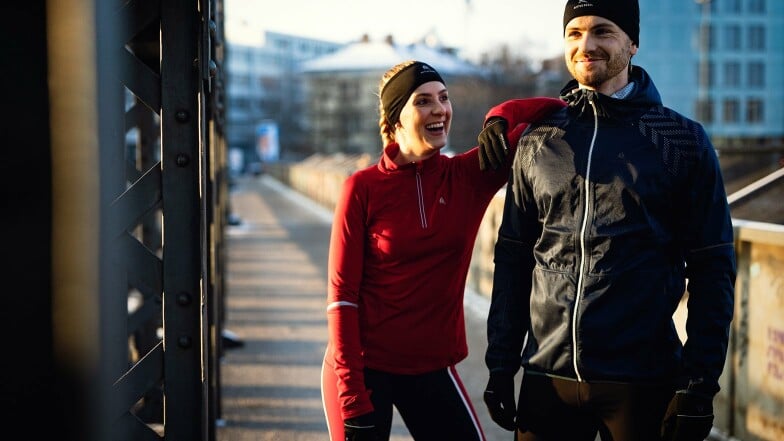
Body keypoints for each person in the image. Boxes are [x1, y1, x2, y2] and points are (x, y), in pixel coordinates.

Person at [482, 1, 737, 441]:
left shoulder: (681, 140)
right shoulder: (540, 141)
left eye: (603, 31)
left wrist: (699, 385)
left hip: (642, 382)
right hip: (547, 377)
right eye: (575, 33)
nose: (587, 44)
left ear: (633, 43)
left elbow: (713, 269)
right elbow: (513, 260)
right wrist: (501, 363)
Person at [320, 59, 564, 441]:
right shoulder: (362, 188)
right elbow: (342, 298)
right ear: (395, 119)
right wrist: (351, 396)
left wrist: (498, 116)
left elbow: (556, 110)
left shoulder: (468, 175)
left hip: (430, 367)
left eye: (444, 98)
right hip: (362, 369)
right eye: (422, 101)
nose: (439, 110)